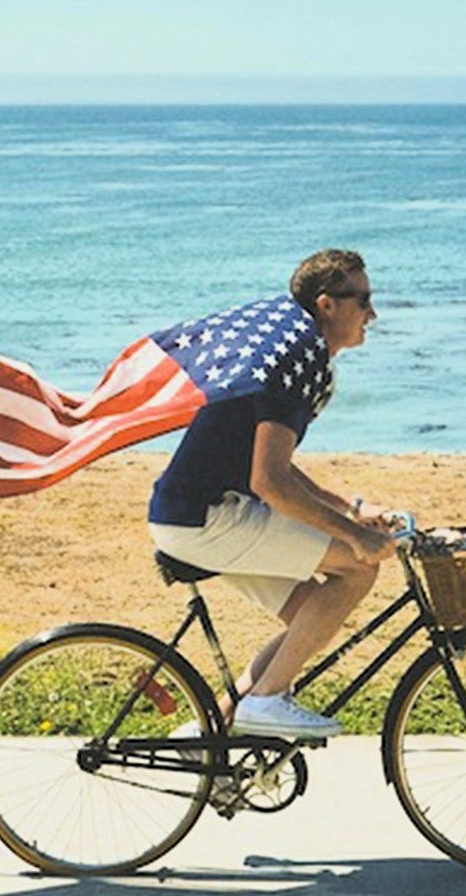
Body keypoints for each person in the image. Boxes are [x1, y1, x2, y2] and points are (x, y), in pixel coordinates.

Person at [145, 248, 395, 738]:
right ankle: (266, 700)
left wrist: (351, 510)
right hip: (207, 519)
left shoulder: (292, 351)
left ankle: (214, 733)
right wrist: (356, 538)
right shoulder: (294, 362)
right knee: (358, 568)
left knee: (310, 616)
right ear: (327, 305)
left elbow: (275, 468)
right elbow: (270, 484)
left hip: (195, 514)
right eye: (363, 300)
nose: (373, 312)